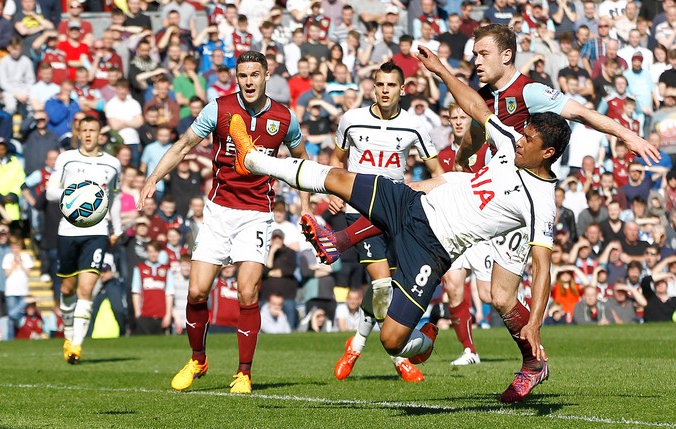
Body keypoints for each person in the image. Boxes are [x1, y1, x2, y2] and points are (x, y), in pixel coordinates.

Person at [228, 43, 572, 403]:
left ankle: (425, 341)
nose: (521, 141)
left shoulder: (542, 201)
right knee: (339, 178)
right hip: (413, 204)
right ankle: (253, 160)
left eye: (529, 139)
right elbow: (475, 105)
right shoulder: (510, 143)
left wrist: (534, 323)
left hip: (431, 249)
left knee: (392, 339)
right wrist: (440, 69)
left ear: (547, 153)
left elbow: (542, 267)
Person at [137, 51, 310, 395]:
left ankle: (244, 373)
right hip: (218, 211)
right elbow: (184, 144)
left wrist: (306, 207)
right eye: (242, 75)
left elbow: (302, 162)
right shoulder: (218, 108)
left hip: (257, 213)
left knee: (248, 292)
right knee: (197, 290)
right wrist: (152, 178)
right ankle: (198, 359)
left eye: (254, 75)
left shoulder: (284, 117)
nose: (248, 82)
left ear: (266, 76)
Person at [321, 60, 442, 383]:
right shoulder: (352, 120)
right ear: (373, 87)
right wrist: (333, 191)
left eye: (391, 85)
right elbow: (336, 160)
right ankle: (399, 358)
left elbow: (438, 174)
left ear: (403, 90)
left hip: (397, 212)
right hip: (361, 210)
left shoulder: (415, 125)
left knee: (385, 291)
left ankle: (356, 344)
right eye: (380, 84)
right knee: (381, 285)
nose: (385, 90)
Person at [45, 116, 122, 364]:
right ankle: (69, 332)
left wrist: (117, 229)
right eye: (84, 129)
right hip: (68, 229)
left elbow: (115, 198)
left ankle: (76, 344)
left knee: (86, 288)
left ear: (101, 134)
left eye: (93, 130)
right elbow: (50, 191)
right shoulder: (66, 158)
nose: (88, 134)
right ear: (78, 132)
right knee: (67, 289)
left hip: (98, 231)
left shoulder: (112, 164)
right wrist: (79, 192)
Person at [131, 240, 175, 335]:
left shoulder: (167, 270)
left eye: (155, 251)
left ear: (159, 252)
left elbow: (169, 294)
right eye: (150, 251)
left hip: (161, 315)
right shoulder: (139, 268)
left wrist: (168, 315)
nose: (153, 254)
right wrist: (138, 313)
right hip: (145, 315)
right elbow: (136, 292)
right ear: (147, 253)